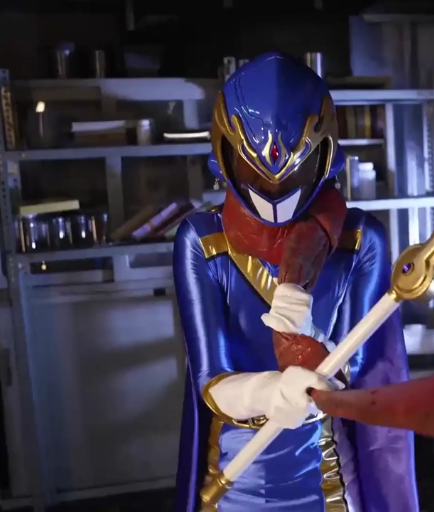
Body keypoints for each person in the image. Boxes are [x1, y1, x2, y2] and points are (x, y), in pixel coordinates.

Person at [172, 52, 418, 511]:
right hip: (234, 472)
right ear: (226, 156)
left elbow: (363, 372)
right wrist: (267, 391)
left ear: (324, 155)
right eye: (254, 172)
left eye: (294, 173)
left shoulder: (359, 239)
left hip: (326, 473)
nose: (273, 191)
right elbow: (210, 376)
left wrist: (310, 345)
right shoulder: (203, 241)